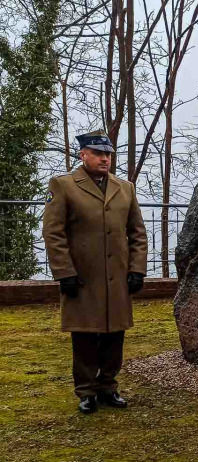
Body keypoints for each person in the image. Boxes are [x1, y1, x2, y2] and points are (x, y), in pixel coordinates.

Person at [42, 130, 148, 414]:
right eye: (98, 153)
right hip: (82, 277)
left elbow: (137, 232)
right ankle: (86, 391)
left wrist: (137, 269)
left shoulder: (125, 188)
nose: (105, 159)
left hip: (118, 278)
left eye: (108, 154)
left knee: (115, 336)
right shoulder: (64, 185)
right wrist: (64, 272)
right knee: (85, 337)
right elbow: (54, 234)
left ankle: (108, 386)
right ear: (83, 155)